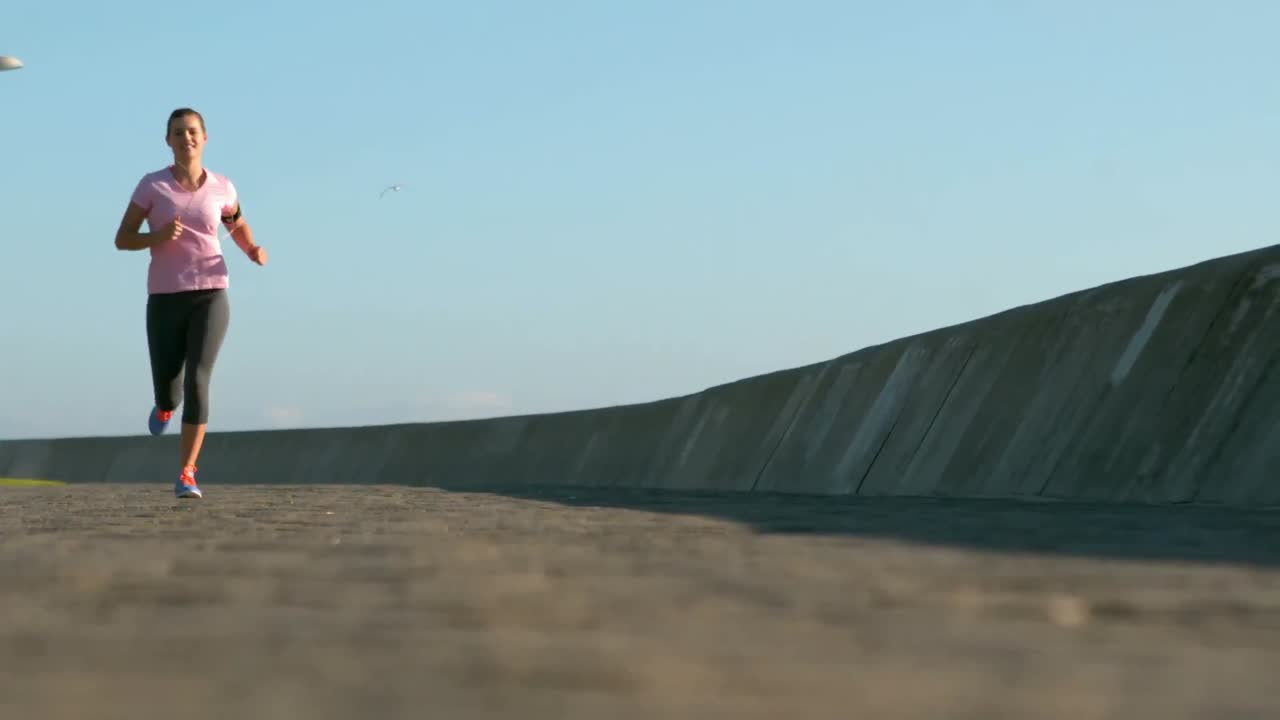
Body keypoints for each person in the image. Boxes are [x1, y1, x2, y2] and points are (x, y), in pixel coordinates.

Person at [114, 107, 268, 499]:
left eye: (193, 131)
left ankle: (187, 472)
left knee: (199, 378)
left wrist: (250, 247)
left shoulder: (222, 186)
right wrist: (158, 237)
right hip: (165, 297)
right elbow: (123, 238)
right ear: (168, 141)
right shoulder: (152, 186)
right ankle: (164, 406)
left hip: (211, 292)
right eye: (179, 133)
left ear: (205, 137)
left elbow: (235, 222)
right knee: (170, 387)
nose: (187, 138)